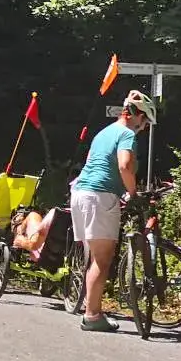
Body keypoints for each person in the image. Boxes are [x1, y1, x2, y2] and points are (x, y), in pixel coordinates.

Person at [71, 89, 153, 332]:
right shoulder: (126, 133)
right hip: (101, 196)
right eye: (145, 121)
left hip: (80, 194)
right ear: (136, 115)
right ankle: (93, 315)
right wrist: (134, 193)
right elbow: (125, 165)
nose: (144, 127)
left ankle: (90, 308)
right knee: (102, 259)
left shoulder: (103, 132)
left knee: (95, 257)